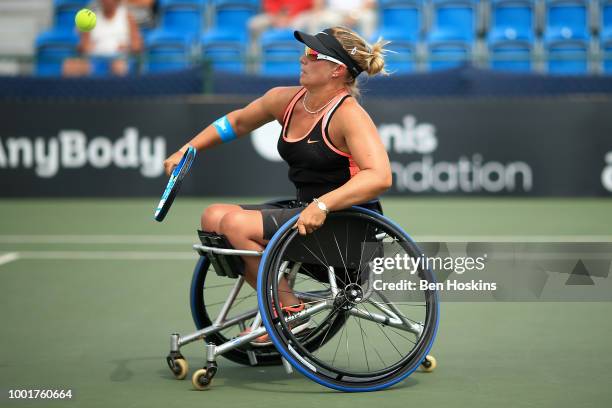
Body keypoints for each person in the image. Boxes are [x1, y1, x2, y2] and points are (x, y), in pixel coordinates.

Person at [163, 26, 392, 341]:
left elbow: (379, 176)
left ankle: (291, 313)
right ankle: (282, 301)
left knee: (234, 225)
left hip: (348, 231)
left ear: (337, 70)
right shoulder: (284, 100)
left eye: (313, 55)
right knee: (213, 218)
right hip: (306, 218)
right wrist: (188, 149)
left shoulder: (349, 115)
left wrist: (323, 205)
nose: (303, 58)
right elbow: (237, 121)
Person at [62, 0, 143, 77]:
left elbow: (137, 46)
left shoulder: (127, 17)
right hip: (95, 59)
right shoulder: (91, 17)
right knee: (69, 65)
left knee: (118, 66)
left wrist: (126, 47)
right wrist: (87, 47)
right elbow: (84, 47)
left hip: (120, 58)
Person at [296, 0, 378, 40]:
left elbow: (370, 3)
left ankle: (367, 57)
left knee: (369, 17)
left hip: (360, 11)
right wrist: (317, 11)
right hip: (333, 13)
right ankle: (316, 54)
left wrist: (354, 14)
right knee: (317, 20)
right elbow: (319, 2)